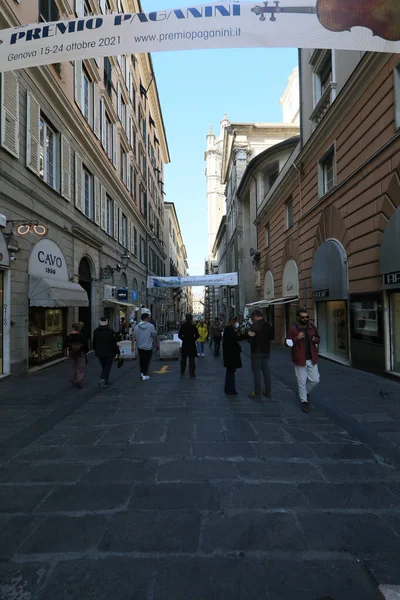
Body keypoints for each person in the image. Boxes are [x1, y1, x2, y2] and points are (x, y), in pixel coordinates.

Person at [286, 308, 320, 413]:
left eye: (307, 317)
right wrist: (297, 337)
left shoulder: (312, 327)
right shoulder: (293, 329)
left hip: (312, 358)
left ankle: (305, 392)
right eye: (303, 317)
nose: (305, 319)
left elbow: (318, 338)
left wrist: (315, 340)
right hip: (299, 358)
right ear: (298, 318)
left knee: (315, 379)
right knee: (301, 381)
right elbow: (287, 342)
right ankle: (304, 402)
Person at [247, 309, 274, 400]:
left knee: (257, 372)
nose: (252, 320)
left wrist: (249, 336)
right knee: (266, 371)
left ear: (255, 316)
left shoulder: (254, 326)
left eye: (252, 318)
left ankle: (257, 393)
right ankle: (268, 392)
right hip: (266, 351)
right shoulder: (268, 326)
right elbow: (271, 337)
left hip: (256, 352)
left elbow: (250, 339)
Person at [92, 317, 120, 389]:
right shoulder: (110, 331)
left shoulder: (96, 331)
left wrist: (95, 349)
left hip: (99, 352)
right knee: (107, 366)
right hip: (109, 352)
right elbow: (113, 343)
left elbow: (94, 342)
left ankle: (106, 379)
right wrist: (117, 351)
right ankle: (103, 379)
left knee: (104, 366)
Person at [132, 313, 157, 381]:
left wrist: (132, 346)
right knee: (147, 360)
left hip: (140, 346)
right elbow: (154, 335)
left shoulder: (136, 326)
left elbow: (133, 336)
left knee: (141, 360)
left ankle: (142, 373)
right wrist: (155, 343)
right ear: (146, 318)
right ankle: (145, 374)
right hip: (148, 347)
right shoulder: (151, 326)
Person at [64, 323, 88, 389]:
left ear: (73, 328)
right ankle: (79, 380)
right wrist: (84, 351)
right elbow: (86, 346)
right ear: (79, 329)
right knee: (80, 367)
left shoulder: (69, 336)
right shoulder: (82, 336)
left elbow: (64, 344)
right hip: (80, 353)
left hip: (72, 353)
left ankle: (73, 380)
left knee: (72, 367)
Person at [222, 316, 243, 395]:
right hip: (231, 355)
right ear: (233, 322)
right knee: (231, 373)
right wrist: (246, 335)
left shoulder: (228, 329)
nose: (237, 323)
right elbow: (235, 339)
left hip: (229, 355)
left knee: (229, 372)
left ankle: (228, 389)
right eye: (236, 321)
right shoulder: (229, 330)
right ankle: (231, 389)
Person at [178, 313, 199, 378]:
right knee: (192, 359)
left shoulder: (183, 326)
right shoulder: (193, 326)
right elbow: (197, 335)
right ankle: (191, 373)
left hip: (185, 344)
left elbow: (179, 335)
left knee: (183, 359)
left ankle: (182, 371)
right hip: (192, 344)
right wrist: (193, 339)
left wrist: (183, 339)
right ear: (191, 319)